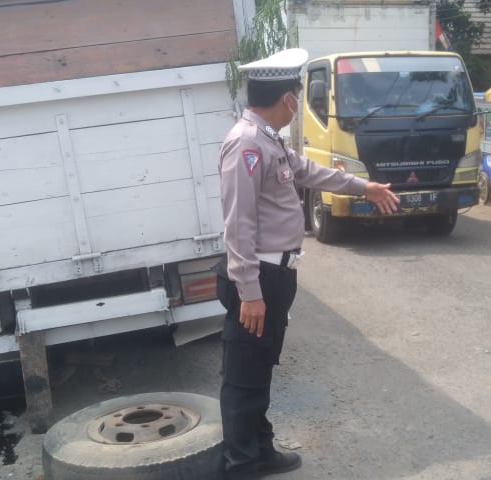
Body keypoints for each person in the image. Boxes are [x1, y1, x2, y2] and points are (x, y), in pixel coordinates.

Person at [216, 48, 399, 480]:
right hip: (259, 278)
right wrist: (250, 293)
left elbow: (310, 172)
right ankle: (241, 466)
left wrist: (364, 187)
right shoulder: (246, 144)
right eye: (297, 96)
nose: (297, 104)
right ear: (288, 99)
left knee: (259, 371)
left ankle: (260, 450)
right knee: (242, 379)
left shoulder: (267, 140)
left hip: (276, 276)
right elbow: (237, 226)